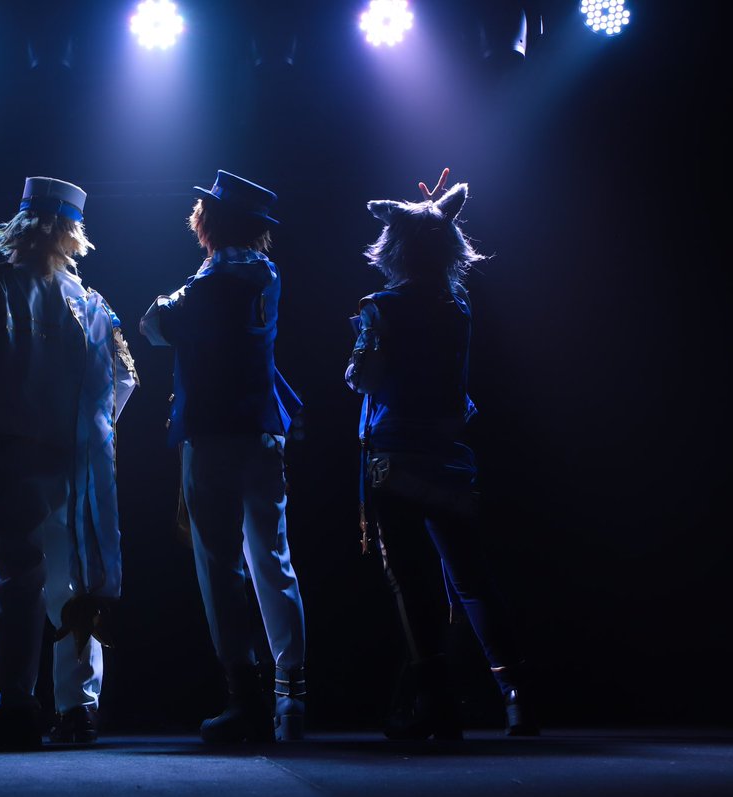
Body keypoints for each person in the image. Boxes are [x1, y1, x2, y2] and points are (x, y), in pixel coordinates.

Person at [347, 170, 540, 739]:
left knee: (412, 580)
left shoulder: (381, 306)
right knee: (471, 578)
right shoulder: (458, 304)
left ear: (397, 247)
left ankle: (436, 701)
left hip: (396, 459)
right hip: (450, 456)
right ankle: (517, 697)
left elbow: (362, 378)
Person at [0, 177, 138, 749]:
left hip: (13, 447)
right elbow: (126, 379)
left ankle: (16, 707)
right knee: (73, 580)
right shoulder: (95, 303)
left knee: (17, 581)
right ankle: (79, 709)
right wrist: (93, 429)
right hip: (76, 459)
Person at [139, 170, 307, 743]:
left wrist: (173, 298)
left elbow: (154, 325)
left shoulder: (210, 282)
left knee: (220, 565)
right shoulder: (266, 273)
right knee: (273, 558)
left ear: (210, 222)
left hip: (214, 433)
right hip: (263, 429)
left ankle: (246, 697)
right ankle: (290, 695)